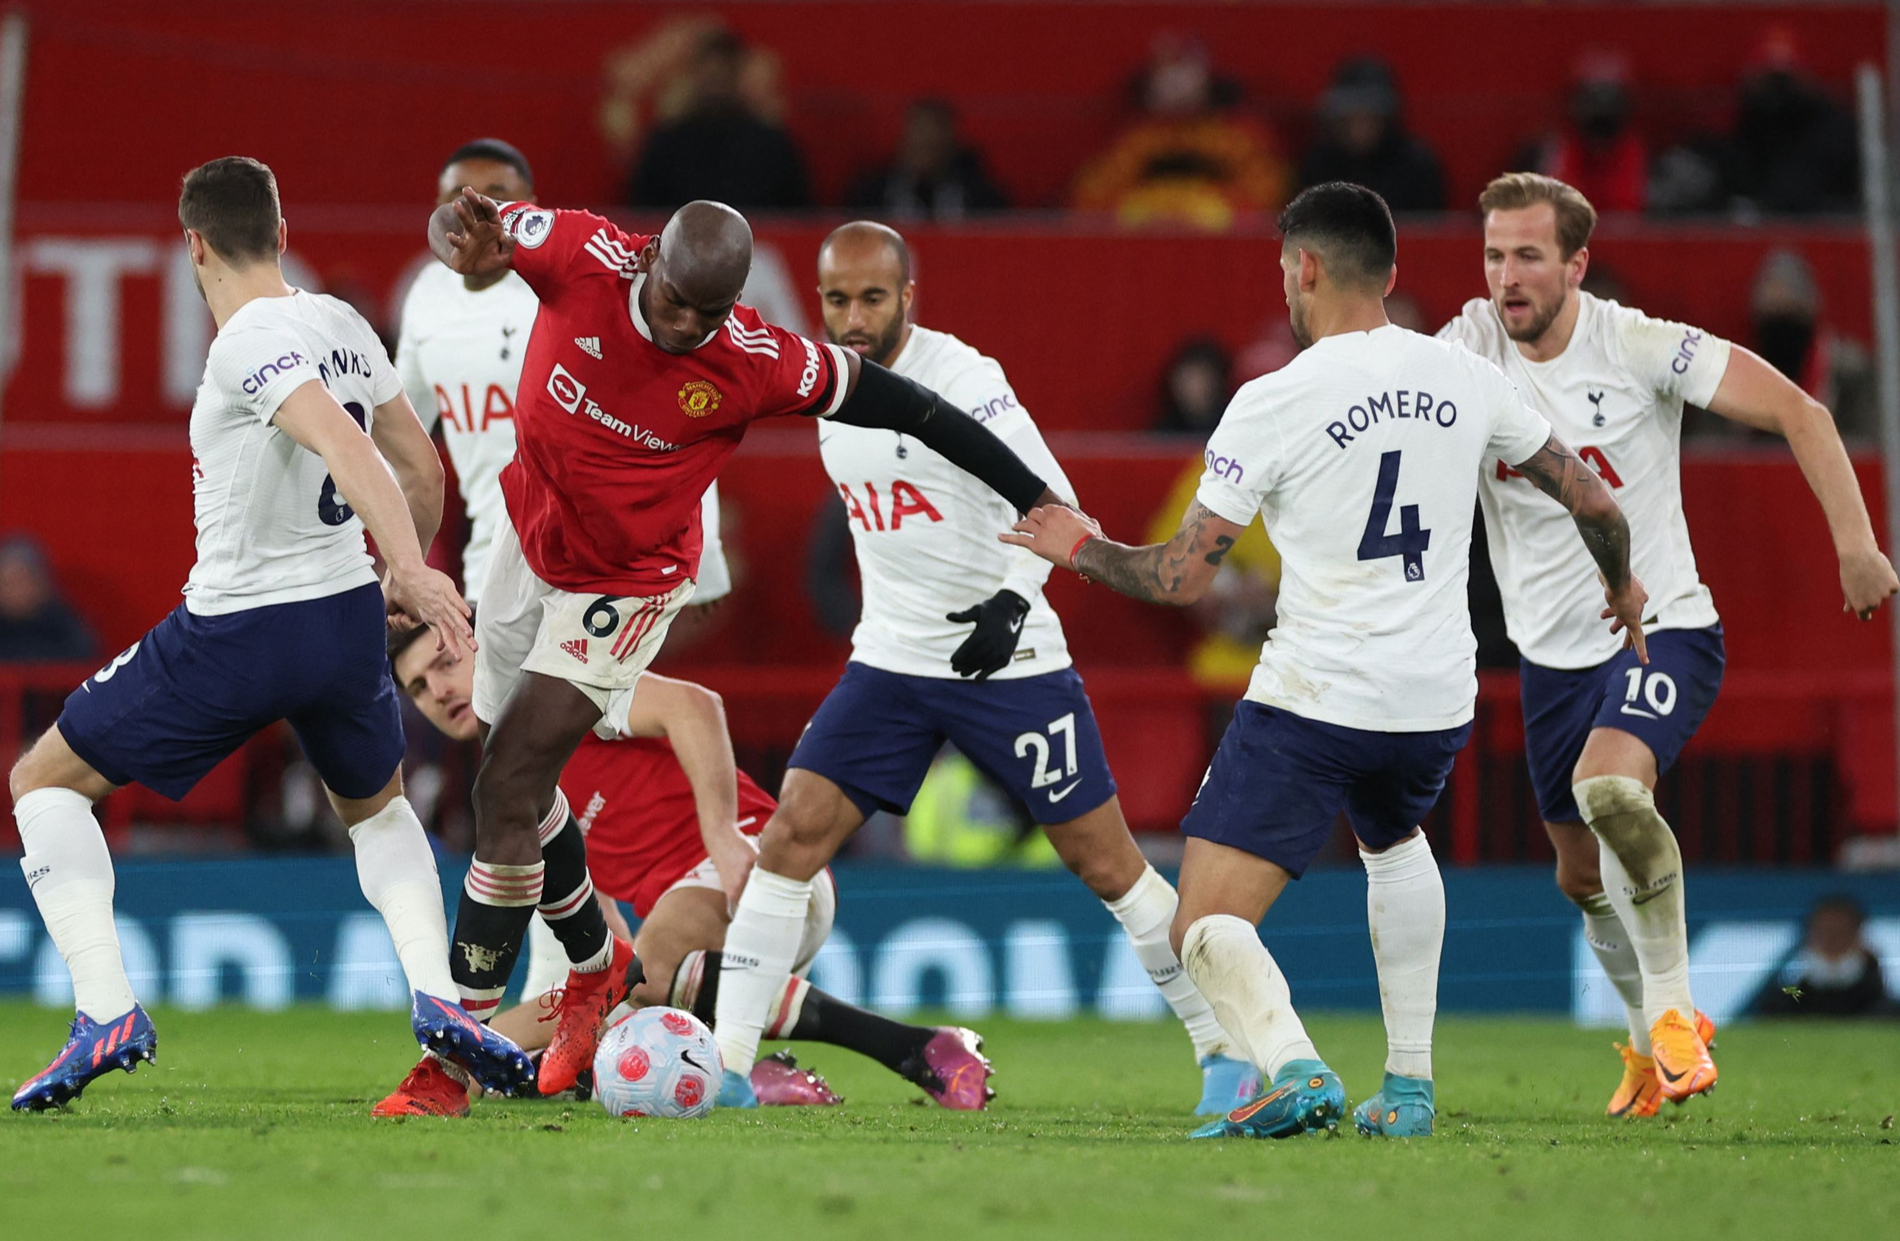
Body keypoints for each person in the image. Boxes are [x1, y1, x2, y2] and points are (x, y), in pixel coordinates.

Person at [1004, 182, 1645, 1141]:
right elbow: (1593, 500)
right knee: (1395, 841)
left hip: (1317, 695)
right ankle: (1413, 1090)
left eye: (1285, 273)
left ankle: (1296, 1067)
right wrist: (1623, 589)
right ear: (1389, 275)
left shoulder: (1274, 399)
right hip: (1433, 697)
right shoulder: (1468, 377)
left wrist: (1080, 548)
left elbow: (1183, 579)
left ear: (1305, 268)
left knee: (1203, 926)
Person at [426, 187, 1066, 1100]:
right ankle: (597, 972)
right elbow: (465, 229)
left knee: (513, 774)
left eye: (711, 310)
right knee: (506, 780)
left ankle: (465, 1041)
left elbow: (915, 409)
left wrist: (1034, 497)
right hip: (529, 539)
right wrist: (461, 241)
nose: (690, 324)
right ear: (647, 261)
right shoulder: (578, 253)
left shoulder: (757, 360)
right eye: (677, 300)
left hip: (632, 576)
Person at [6, 157, 523, 1112]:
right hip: (341, 622)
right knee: (380, 811)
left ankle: (105, 1009)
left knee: (41, 783)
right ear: (283, 235)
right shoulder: (340, 322)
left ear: (193, 243)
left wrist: (406, 566)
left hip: (243, 625)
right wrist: (383, 580)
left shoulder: (247, 339)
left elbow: (343, 441)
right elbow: (419, 462)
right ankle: (443, 998)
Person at [709, 221, 1256, 1116]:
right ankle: (728, 1069)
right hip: (891, 658)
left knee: (1107, 862)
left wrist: (1012, 600)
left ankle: (1225, 1052)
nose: (852, 317)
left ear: (908, 298)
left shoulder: (964, 378)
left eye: (872, 299)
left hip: (1009, 662)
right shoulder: (825, 389)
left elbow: (1050, 498)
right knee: (791, 836)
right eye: (837, 300)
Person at [1438, 172, 1898, 1117]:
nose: (1507, 277)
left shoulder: (1637, 344)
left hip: (1664, 631)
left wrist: (1856, 543)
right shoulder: (1468, 350)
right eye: (1493, 255)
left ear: (1577, 263)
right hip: (1549, 661)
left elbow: (1800, 413)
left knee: (1611, 787)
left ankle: (1677, 1015)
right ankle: (1648, 1043)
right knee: (1577, 873)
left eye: (1528, 255)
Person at [375, 624, 993, 1116]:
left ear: (480, 641)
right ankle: (752, 1073)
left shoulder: (563, 695)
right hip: (701, 947)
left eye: (446, 663)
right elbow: (603, 962)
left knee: (642, 979)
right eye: (421, 687)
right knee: (601, 1036)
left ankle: (911, 1047)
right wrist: (473, 1051)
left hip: (754, 869)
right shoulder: (510, 786)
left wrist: (723, 837)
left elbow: (695, 706)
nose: (440, 690)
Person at [396, 139, 733, 608]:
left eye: (499, 196)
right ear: (438, 208)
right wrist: (401, 559)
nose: (481, 209)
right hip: (492, 561)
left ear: (529, 207)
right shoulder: (425, 296)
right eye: (462, 196)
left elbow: (672, 423)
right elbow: (401, 434)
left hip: (598, 560)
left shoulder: (573, 285)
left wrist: (707, 555)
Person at [1072, 33, 1290, 230]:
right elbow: (1093, 200)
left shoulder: (1238, 136)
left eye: (1181, 68)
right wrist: (1151, 212)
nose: (1173, 81)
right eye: (1164, 69)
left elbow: (1268, 197)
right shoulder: (1136, 139)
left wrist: (1208, 211)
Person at [628, 29, 811, 212]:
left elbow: (799, 217)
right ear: (694, 73)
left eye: (723, 68)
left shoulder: (772, 145)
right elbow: (642, 216)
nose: (715, 77)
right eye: (709, 68)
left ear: (737, 73)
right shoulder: (666, 145)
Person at [1298, 58, 1445, 213]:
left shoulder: (1416, 167)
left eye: (1369, 117)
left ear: (1386, 119)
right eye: (1352, 117)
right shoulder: (1320, 165)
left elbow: (1433, 230)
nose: (1360, 127)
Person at [845, 99, 1009, 220]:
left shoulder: (980, 195)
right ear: (904, 141)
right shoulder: (873, 194)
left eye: (933, 144)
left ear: (951, 143)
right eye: (918, 144)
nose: (925, 153)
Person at [1756, 894, 1891, 1018]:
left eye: (1841, 934)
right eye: (1824, 933)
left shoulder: (1888, 1014)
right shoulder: (1779, 1008)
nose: (1832, 943)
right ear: (1809, 939)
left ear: (1860, 938)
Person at [0, 535, 96, 664]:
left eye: (19, 581)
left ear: (41, 584)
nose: (12, 591)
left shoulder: (65, 628)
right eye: (5, 583)